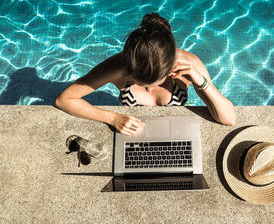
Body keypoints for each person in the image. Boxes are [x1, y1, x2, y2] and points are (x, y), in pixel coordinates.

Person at [55, 12, 236, 135]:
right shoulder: (119, 67)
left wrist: (200, 81)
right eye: (141, 82)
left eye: (154, 82)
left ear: (170, 67)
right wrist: (113, 118)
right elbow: (64, 100)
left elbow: (229, 119)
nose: (149, 88)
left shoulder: (188, 65)